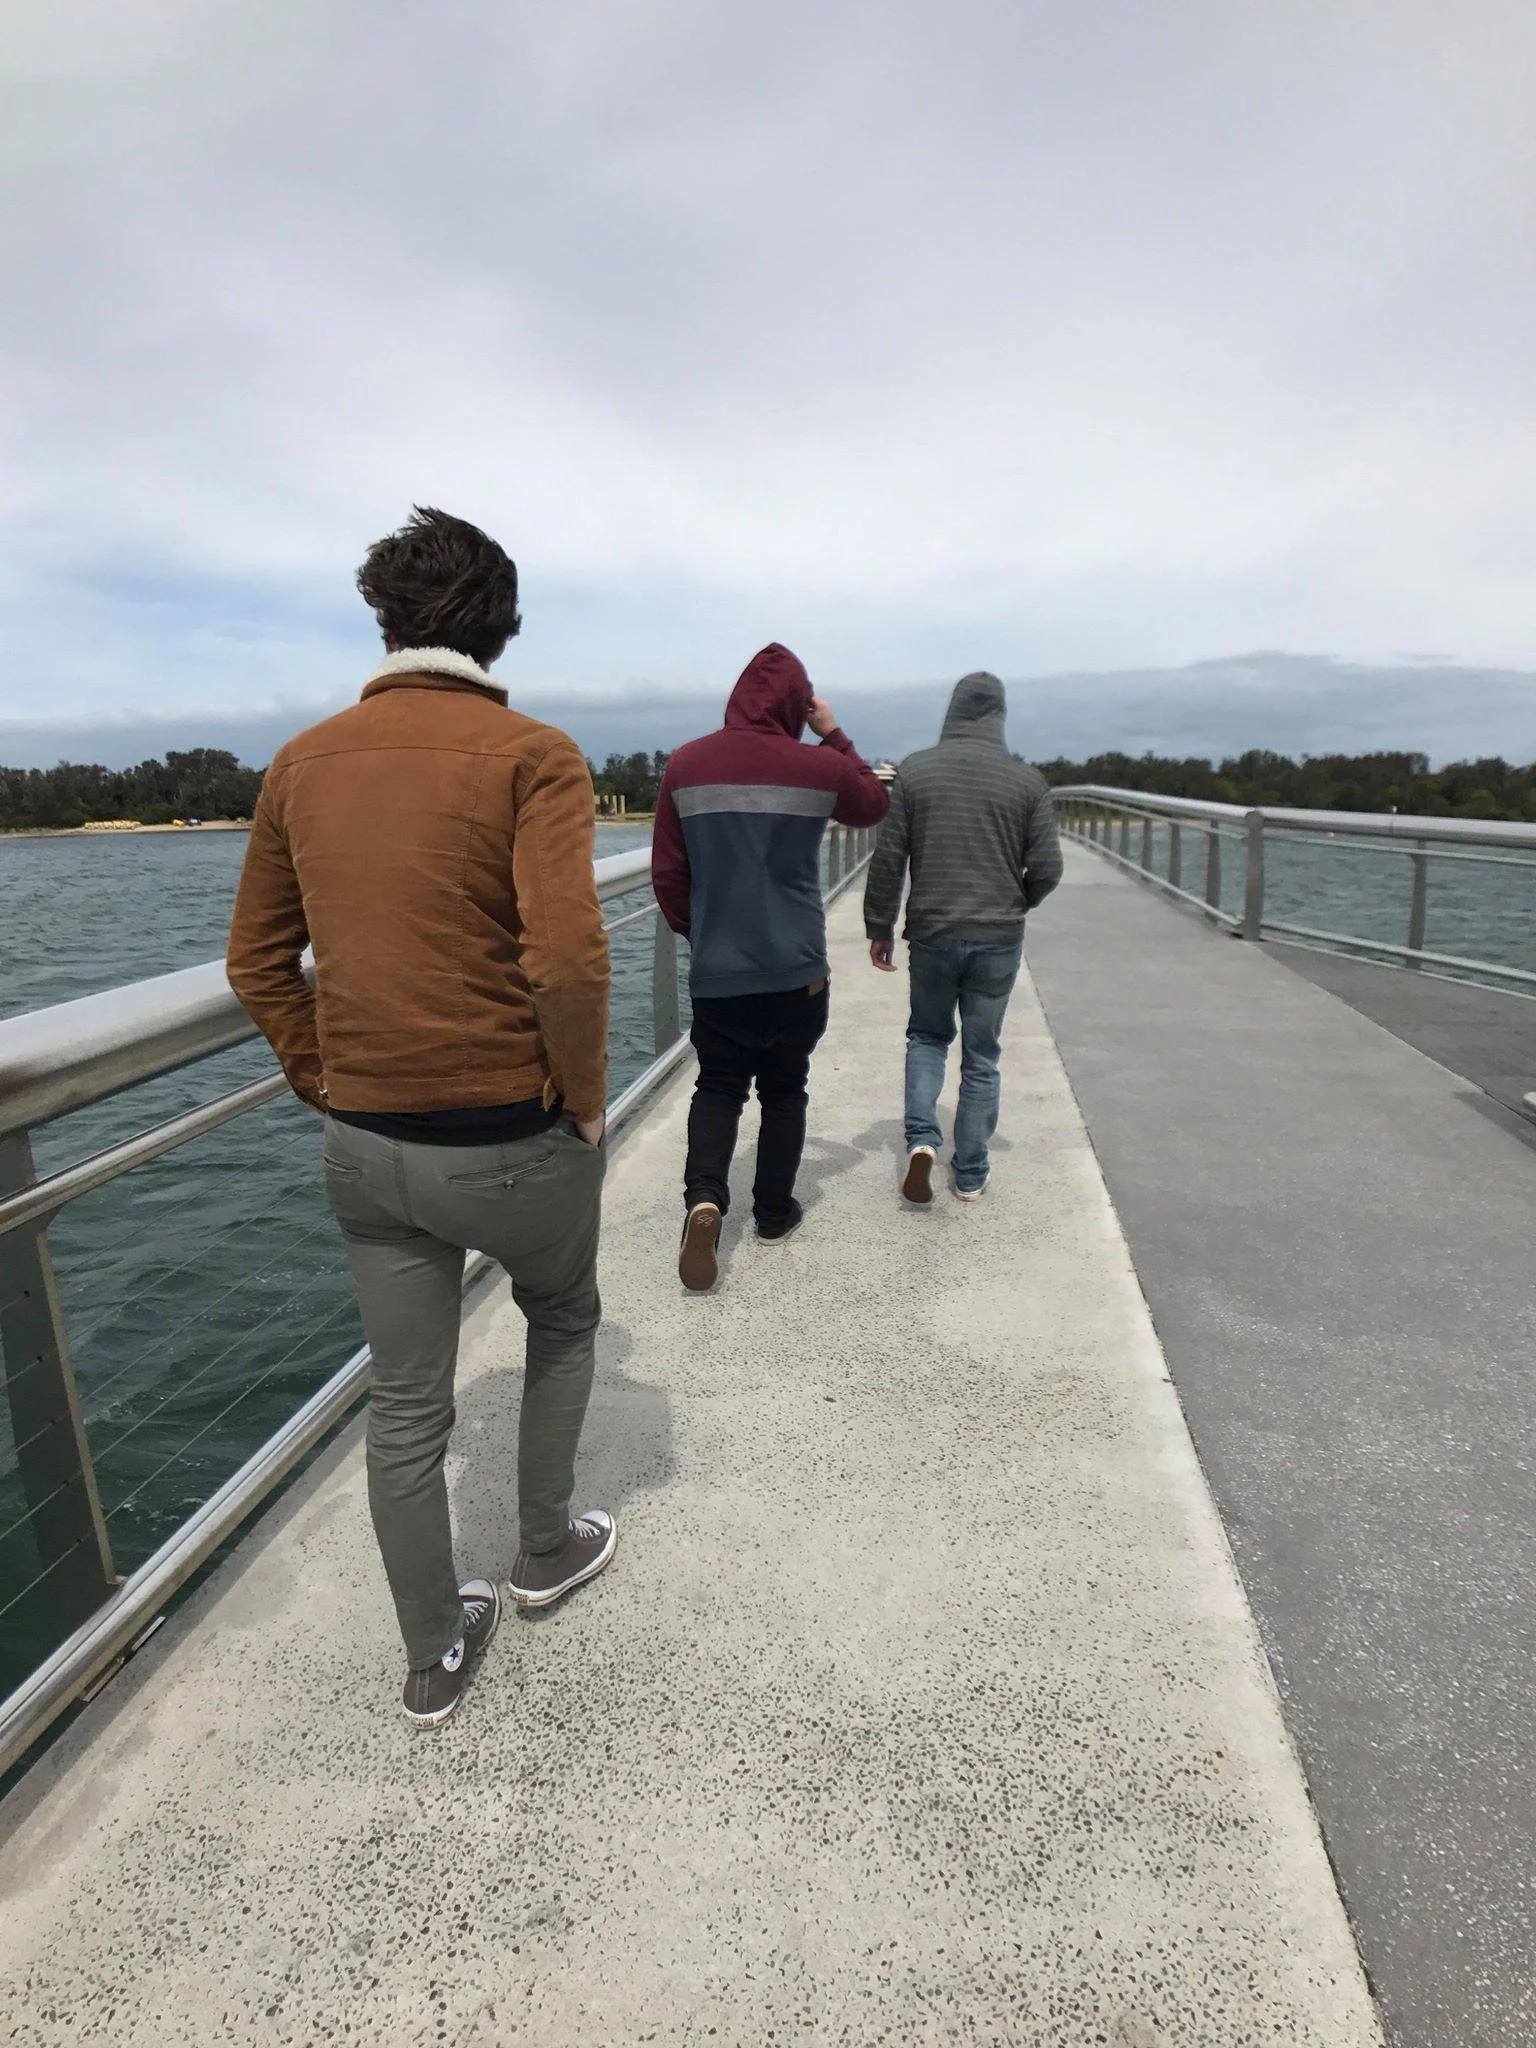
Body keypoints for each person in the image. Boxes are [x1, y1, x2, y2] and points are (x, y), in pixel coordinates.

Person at [227, 506, 616, 1728]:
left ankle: (434, 1655)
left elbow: (255, 962)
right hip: (510, 1138)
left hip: (367, 1144)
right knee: (564, 1314)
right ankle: (543, 1547)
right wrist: (586, 1097)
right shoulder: (536, 754)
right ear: (501, 626)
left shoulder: (300, 761)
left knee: (404, 1403)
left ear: (385, 619)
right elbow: (566, 960)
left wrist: (324, 1077)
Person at [652, 643, 889, 1290]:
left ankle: (705, 1199)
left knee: (718, 1087)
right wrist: (832, 732)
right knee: (786, 1090)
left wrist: (703, 935)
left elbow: (668, 874)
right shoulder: (819, 767)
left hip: (721, 969)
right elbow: (873, 805)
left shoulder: (686, 764)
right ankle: (774, 1213)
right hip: (796, 971)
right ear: (796, 704)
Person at [862, 671, 1062, 1202]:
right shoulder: (1028, 783)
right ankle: (970, 1171)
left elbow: (889, 859)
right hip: (998, 936)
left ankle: (921, 1142)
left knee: (927, 1037)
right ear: (1000, 715)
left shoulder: (915, 771)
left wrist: (879, 926)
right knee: (982, 1054)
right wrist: (1018, 901)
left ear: (952, 711)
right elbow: (1048, 868)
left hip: (932, 931)